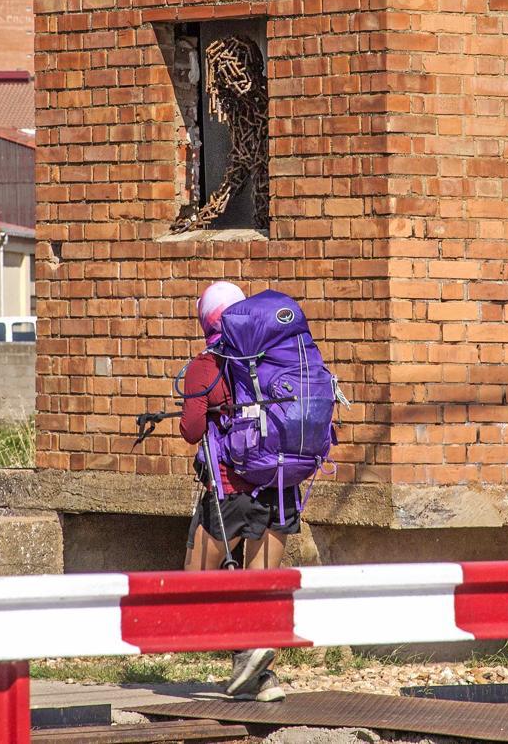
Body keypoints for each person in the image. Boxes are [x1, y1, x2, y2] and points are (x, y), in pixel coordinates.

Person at [180, 280, 294, 702]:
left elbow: (191, 430)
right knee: (258, 584)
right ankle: (262, 679)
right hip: (282, 485)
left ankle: (248, 657)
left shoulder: (205, 366)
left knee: (195, 585)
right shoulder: (274, 355)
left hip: (231, 487)